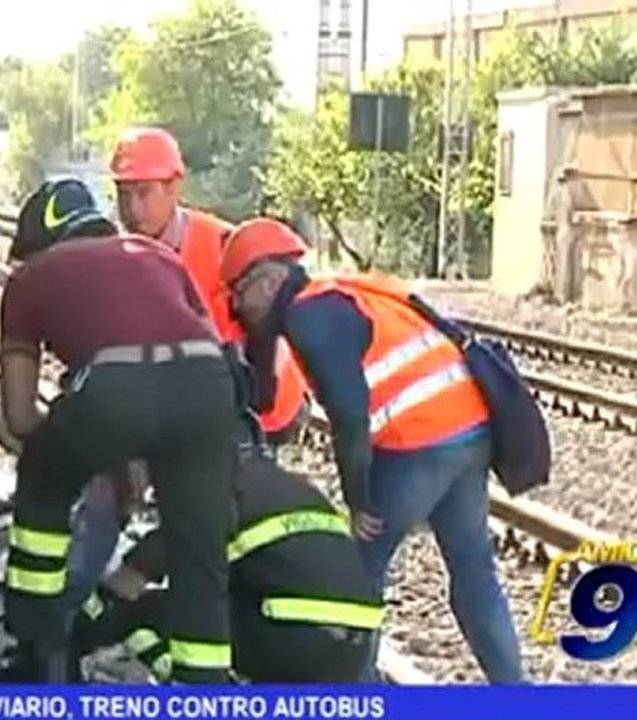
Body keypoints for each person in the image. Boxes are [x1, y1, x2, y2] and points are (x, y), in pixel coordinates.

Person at [217, 217, 524, 684]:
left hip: (419, 443)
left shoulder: (309, 316)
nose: (236, 305)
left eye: (239, 291)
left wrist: (357, 498)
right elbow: (268, 394)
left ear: (269, 281)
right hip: (470, 431)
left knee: (355, 578)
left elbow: (349, 416)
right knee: (474, 574)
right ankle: (517, 693)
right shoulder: (339, 293)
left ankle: (356, 694)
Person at [0, 178, 238, 684]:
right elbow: (191, 359)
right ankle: (204, 688)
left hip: (114, 389)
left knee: (41, 479)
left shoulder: (31, 277)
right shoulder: (160, 256)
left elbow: (19, 417)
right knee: (197, 550)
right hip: (210, 388)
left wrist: (74, 451)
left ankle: (36, 651)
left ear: (38, 241)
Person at [70, 412, 383, 684]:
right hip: (356, 645)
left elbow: (128, 582)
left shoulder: (205, 494)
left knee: (142, 613)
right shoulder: (283, 485)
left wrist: (81, 620)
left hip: (297, 635)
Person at [109, 126, 308, 443]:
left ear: (174, 187)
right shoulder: (118, 259)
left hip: (260, 409)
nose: (132, 209)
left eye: (143, 193)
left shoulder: (226, 246)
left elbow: (281, 319)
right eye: (124, 194)